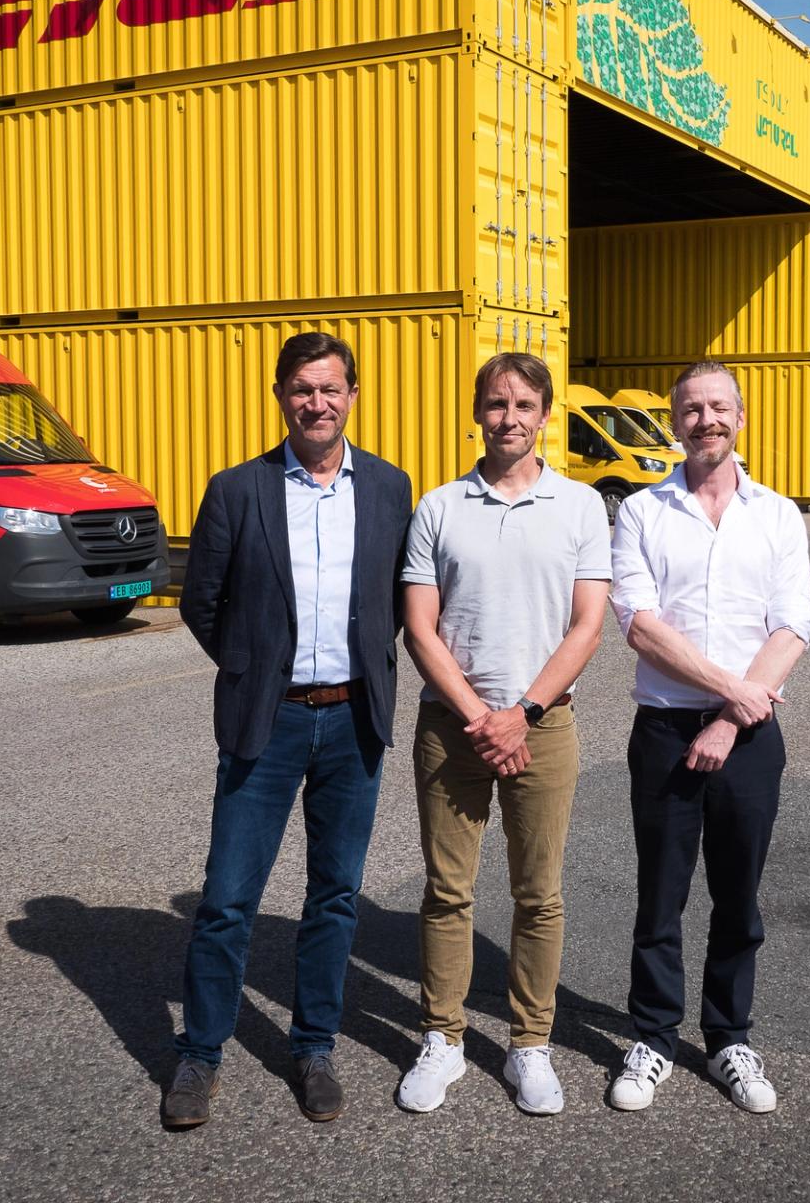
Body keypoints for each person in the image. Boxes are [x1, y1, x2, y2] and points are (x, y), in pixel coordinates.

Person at [169, 331, 414, 1128]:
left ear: (352, 395)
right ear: (281, 395)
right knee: (229, 899)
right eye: (303, 388)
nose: (317, 402)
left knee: (334, 896)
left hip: (352, 721)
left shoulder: (387, 487)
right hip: (265, 722)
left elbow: (397, 600)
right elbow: (200, 601)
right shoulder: (237, 489)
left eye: (331, 388)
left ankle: (313, 1047)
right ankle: (199, 1056)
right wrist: (251, 668)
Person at [395, 354, 611, 1116]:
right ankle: (443, 1039)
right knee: (447, 891)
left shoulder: (581, 507)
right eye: (496, 404)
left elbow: (588, 627)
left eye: (523, 404)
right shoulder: (440, 506)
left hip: (543, 728)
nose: (509, 417)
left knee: (538, 893)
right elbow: (419, 628)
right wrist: (480, 715)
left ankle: (529, 1045)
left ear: (546, 414)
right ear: (478, 412)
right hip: (452, 730)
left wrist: (522, 713)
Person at [606, 360, 810, 1115]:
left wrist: (731, 718)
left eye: (718, 406)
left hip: (750, 740)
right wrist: (732, 690)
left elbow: (795, 624)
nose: (706, 420)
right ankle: (654, 1040)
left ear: (741, 416)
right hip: (665, 733)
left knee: (738, 899)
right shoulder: (641, 512)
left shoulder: (779, 514)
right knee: (660, 898)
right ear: (674, 421)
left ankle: (730, 1038)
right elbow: (639, 624)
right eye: (691, 409)